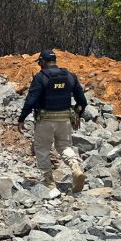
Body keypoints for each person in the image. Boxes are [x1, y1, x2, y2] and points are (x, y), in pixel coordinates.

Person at [17, 50, 87, 192]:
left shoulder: (40, 77)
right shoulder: (69, 76)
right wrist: (77, 115)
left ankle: (49, 182)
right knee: (64, 146)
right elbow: (82, 101)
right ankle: (75, 167)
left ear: (43, 61)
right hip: (65, 119)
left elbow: (31, 100)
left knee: (42, 149)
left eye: (39, 62)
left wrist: (22, 118)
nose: (39, 65)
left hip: (45, 120)